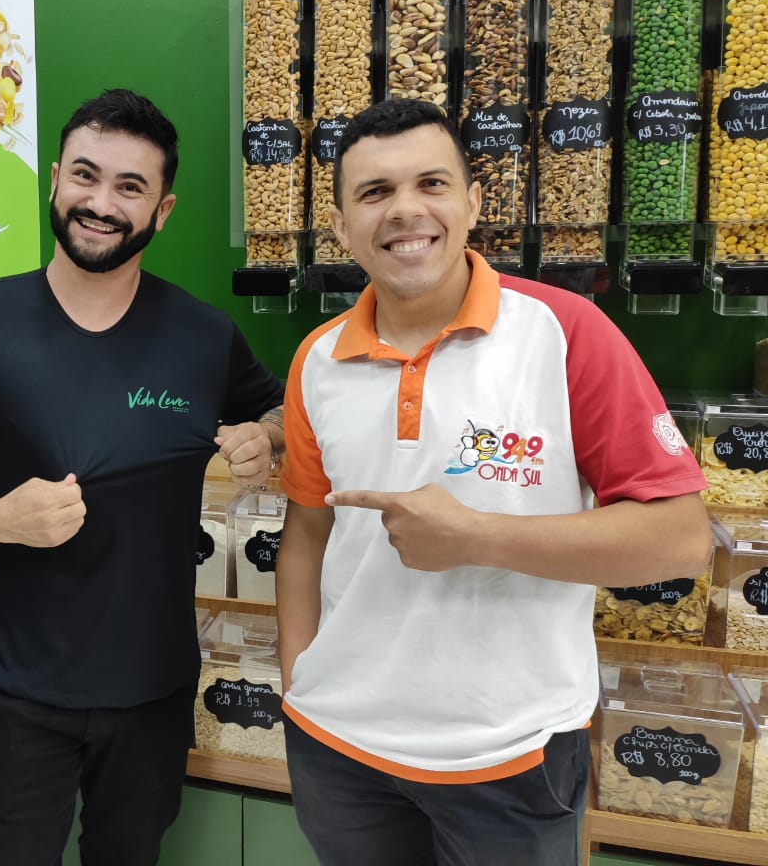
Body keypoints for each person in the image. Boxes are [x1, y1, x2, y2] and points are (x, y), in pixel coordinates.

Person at [275, 97, 710, 866]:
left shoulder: (565, 332)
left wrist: (475, 537)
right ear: (339, 226)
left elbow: (680, 540)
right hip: (338, 750)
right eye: (374, 193)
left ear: (474, 203)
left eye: (431, 184)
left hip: (512, 755)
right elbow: (307, 535)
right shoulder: (317, 359)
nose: (405, 210)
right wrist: (298, 683)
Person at [0, 88, 286, 866]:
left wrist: (266, 437)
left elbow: (280, 408)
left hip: (152, 687)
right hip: (16, 687)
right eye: (85, 175)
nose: (101, 203)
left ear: (162, 210)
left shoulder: (203, 336)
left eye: (129, 186)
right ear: (55, 180)